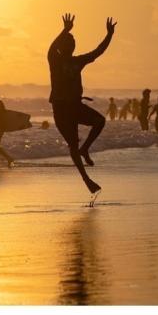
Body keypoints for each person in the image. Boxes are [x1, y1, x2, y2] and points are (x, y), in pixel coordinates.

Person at [47, 13, 115, 194]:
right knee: (72, 145)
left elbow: (98, 51)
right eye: (68, 43)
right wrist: (65, 30)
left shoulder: (78, 61)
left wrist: (109, 34)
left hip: (75, 107)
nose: (72, 44)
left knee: (100, 121)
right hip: (61, 109)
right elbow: (51, 48)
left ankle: (86, 149)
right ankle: (86, 179)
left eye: (73, 42)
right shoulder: (55, 60)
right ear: (62, 47)